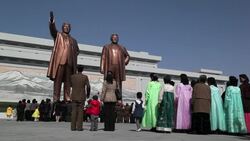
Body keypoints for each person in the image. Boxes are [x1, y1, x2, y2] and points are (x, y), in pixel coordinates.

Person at [47, 11, 80, 102]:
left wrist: (72, 55)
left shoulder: (74, 40)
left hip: (70, 63)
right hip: (60, 61)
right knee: (57, 81)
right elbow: (53, 30)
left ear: (70, 29)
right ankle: (56, 98)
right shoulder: (58, 35)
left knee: (68, 82)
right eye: (65, 26)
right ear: (62, 28)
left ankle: (67, 97)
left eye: (68, 27)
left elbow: (77, 51)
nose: (66, 28)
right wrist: (52, 21)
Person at [100, 34, 130, 99]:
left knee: (118, 83)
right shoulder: (106, 47)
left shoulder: (122, 47)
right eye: (113, 38)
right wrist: (102, 68)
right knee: (108, 82)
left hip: (118, 68)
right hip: (109, 67)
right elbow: (103, 57)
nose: (115, 39)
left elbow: (127, 56)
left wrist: (124, 62)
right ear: (111, 38)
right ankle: (107, 98)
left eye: (116, 38)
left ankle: (118, 99)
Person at [70, 65, 90, 131]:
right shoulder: (85, 77)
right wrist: (88, 94)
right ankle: (79, 127)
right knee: (80, 112)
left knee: (74, 112)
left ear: (77, 69)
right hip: (81, 96)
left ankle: (73, 127)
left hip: (74, 95)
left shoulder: (72, 76)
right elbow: (88, 86)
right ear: (83, 70)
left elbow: (70, 85)